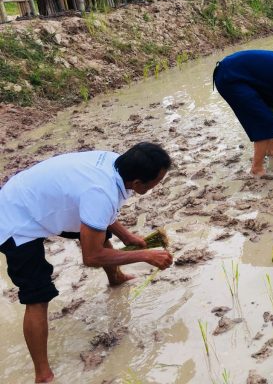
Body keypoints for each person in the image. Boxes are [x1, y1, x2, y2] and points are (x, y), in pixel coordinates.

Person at [0, 142, 174, 383]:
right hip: (14, 218)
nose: (159, 184)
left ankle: (117, 278)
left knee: (99, 234)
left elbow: (99, 214)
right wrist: (146, 256)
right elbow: (91, 257)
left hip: (36, 197)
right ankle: (43, 374)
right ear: (137, 184)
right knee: (37, 296)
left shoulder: (115, 163)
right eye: (158, 180)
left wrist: (126, 236)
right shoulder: (101, 192)